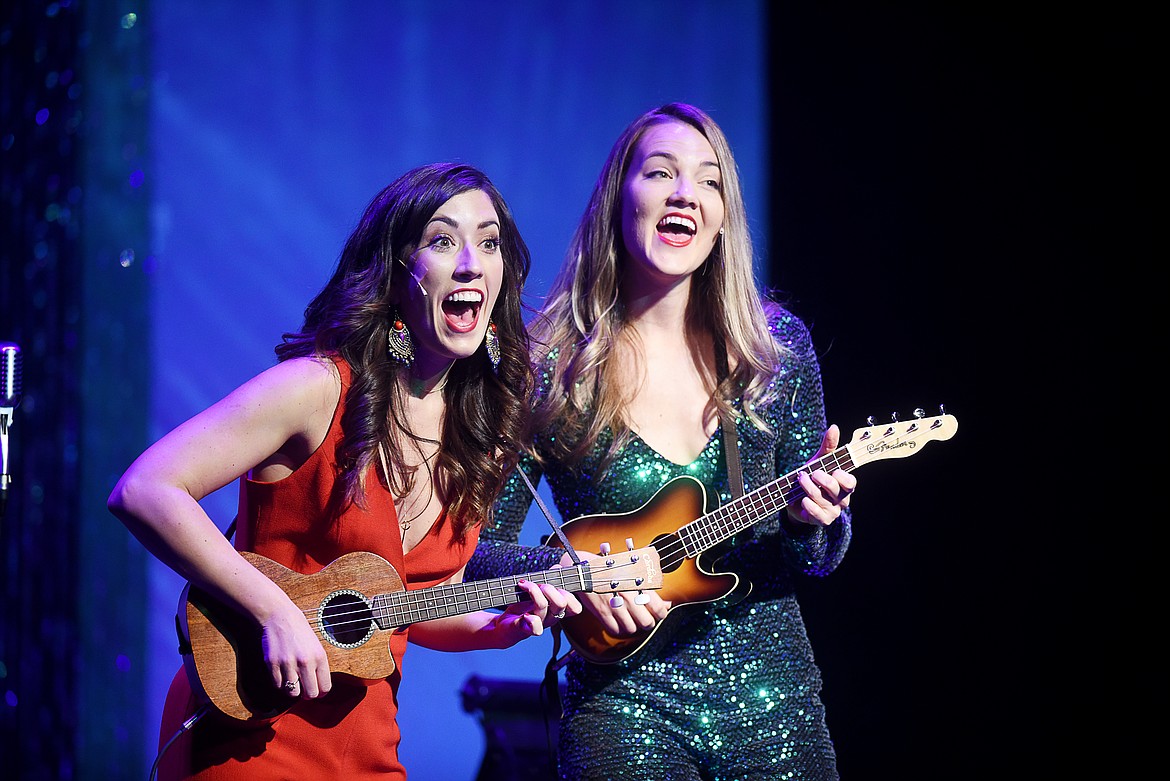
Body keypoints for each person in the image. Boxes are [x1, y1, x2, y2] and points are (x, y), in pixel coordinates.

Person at [107, 162, 583, 781]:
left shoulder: (479, 439)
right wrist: (275, 611)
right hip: (251, 737)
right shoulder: (317, 389)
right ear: (396, 269)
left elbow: (402, 605)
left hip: (368, 751)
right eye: (443, 241)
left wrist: (497, 627)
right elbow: (145, 489)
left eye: (489, 242)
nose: (471, 261)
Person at [465, 103, 856, 780]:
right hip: (621, 706)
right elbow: (472, 551)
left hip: (774, 699)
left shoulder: (775, 349)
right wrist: (573, 576)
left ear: (723, 216)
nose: (685, 193)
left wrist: (811, 516)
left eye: (708, 181)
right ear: (619, 199)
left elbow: (815, 557)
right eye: (660, 172)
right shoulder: (548, 365)